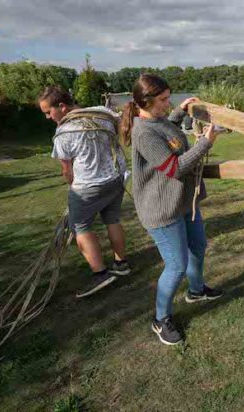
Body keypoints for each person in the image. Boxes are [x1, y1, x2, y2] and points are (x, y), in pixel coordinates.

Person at [120, 74, 223, 346]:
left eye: (169, 98)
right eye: (164, 100)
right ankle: (160, 318)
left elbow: (169, 132)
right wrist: (205, 143)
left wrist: (178, 111)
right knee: (176, 265)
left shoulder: (158, 121)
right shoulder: (143, 132)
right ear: (146, 101)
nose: (169, 103)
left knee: (198, 246)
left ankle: (197, 290)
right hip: (161, 210)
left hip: (181, 202)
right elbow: (173, 168)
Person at [38, 86, 131, 298]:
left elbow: (66, 170)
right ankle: (121, 263)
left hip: (89, 186)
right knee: (112, 219)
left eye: (47, 112)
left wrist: (71, 185)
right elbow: (120, 129)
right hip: (115, 178)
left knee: (80, 227)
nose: (46, 117)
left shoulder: (64, 132)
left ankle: (100, 273)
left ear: (61, 107)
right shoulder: (102, 112)